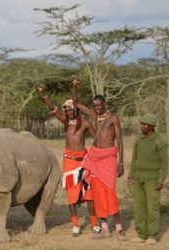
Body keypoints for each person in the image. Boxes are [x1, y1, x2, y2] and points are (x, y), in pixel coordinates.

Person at [38, 82, 99, 236]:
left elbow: (96, 139)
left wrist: (74, 87)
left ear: (76, 109)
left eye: (71, 109)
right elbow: (52, 108)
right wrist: (43, 93)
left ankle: (94, 224)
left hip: (84, 161)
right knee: (72, 194)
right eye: (66, 110)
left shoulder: (85, 123)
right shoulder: (65, 122)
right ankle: (75, 225)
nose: (68, 112)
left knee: (89, 194)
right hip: (70, 162)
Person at [72, 80, 126, 240]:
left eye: (99, 105)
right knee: (98, 194)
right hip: (95, 158)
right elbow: (75, 103)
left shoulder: (113, 118)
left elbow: (120, 140)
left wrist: (121, 163)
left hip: (108, 158)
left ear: (104, 103)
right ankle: (104, 228)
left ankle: (119, 228)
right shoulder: (95, 116)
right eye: (94, 105)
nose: (96, 108)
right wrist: (75, 86)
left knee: (110, 193)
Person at [128, 113, 169, 245]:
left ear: (151, 127)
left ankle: (152, 235)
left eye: (144, 124)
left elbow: (165, 163)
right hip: (139, 178)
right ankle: (141, 234)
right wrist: (130, 175)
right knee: (139, 207)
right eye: (141, 124)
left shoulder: (159, 141)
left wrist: (161, 180)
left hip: (153, 180)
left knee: (152, 208)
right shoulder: (139, 139)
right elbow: (134, 158)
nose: (142, 126)